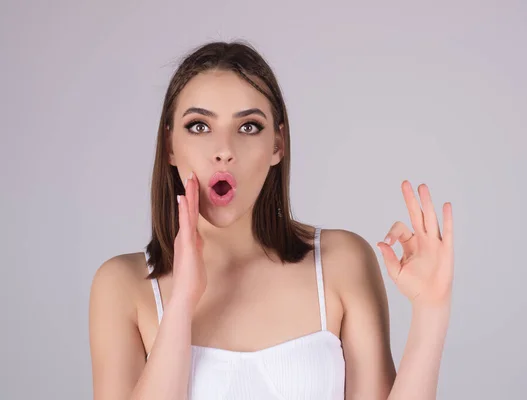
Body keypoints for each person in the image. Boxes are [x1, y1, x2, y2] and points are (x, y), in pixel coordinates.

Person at [88, 40, 454, 400]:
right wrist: (182, 301)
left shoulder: (343, 261)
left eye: (248, 126)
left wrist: (431, 308)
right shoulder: (122, 286)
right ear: (169, 145)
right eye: (199, 126)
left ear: (278, 145)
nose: (224, 151)